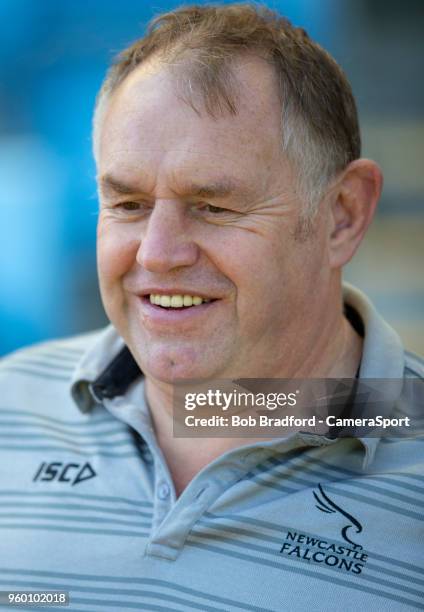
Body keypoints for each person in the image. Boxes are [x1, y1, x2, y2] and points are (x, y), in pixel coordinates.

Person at [1, 4, 423, 610]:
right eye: (127, 204)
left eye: (214, 207)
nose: (158, 253)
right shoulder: (10, 406)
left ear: (343, 215)